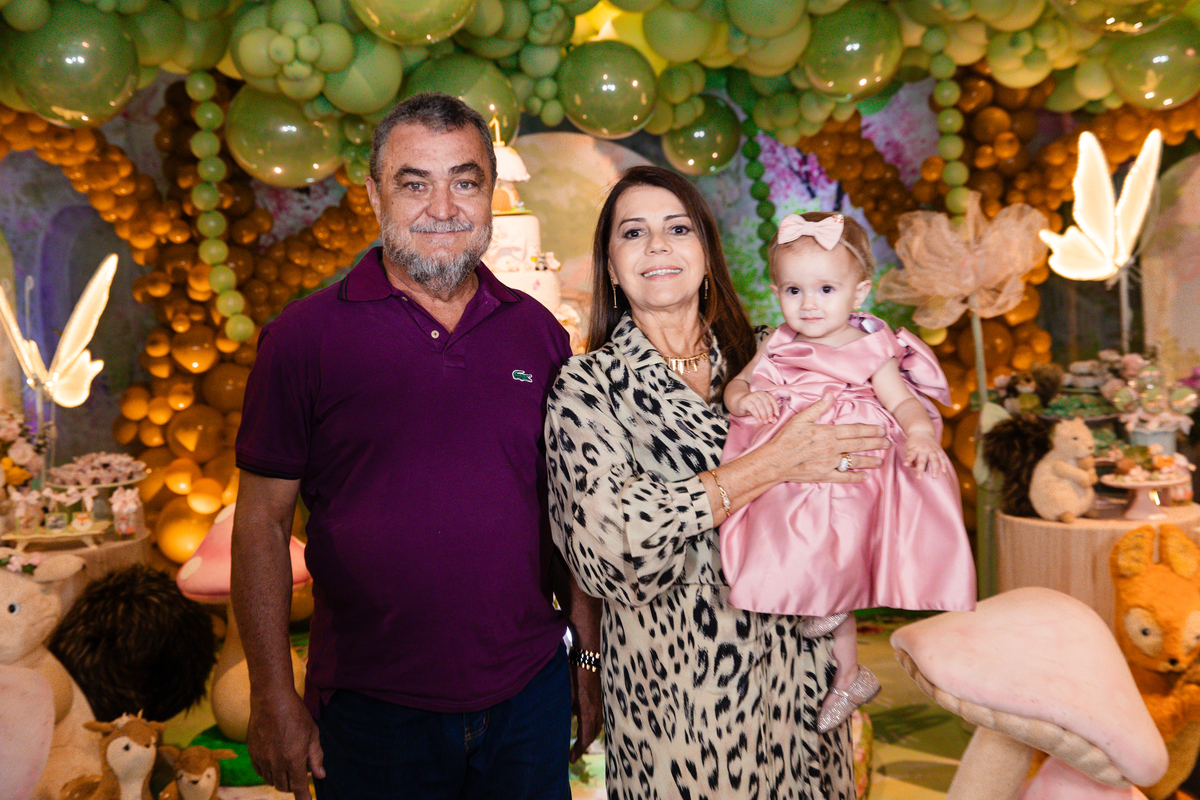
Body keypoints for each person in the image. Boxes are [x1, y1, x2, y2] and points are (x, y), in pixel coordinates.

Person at [230, 92, 601, 800]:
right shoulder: (303, 339)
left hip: (528, 695)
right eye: (414, 183)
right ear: (375, 196)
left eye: (465, 181)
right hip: (372, 710)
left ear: (491, 195)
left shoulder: (539, 333)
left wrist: (585, 660)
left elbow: (568, 512)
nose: (443, 208)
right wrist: (271, 692)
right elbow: (261, 524)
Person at [544, 165, 891, 799]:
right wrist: (772, 465)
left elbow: (862, 460)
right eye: (633, 233)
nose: (657, 245)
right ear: (612, 267)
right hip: (680, 694)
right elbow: (609, 548)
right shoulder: (588, 385)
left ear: (707, 252)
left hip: (803, 671)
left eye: (678, 228)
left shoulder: (776, 354)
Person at [721, 211, 977, 733]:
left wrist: (921, 434)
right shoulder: (778, 343)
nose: (808, 304)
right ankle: (850, 673)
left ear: (859, 293)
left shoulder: (871, 346)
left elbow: (903, 402)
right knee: (789, 536)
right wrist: (747, 399)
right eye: (794, 290)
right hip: (795, 464)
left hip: (858, 467)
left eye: (825, 289)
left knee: (839, 548)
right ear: (776, 292)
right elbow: (738, 385)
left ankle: (843, 654)